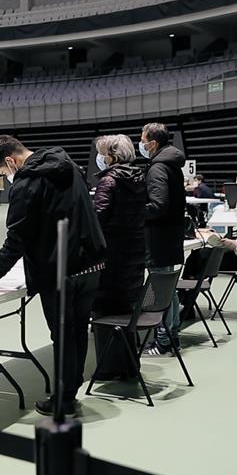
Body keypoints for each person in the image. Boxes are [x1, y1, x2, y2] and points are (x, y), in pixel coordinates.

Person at [0, 136, 105, 417]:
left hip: (61, 270)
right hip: (91, 263)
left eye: (3, 174)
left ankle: (64, 401)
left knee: (64, 336)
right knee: (78, 332)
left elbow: (18, 236)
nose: (6, 179)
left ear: (10, 162)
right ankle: (70, 390)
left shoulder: (28, 182)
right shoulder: (70, 167)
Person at [91, 134, 146, 380]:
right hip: (134, 253)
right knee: (126, 312)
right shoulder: (140, 178)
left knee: (103, 312)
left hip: (111, 258)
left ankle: (107, 367)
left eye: (102, 153)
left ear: (110, 157)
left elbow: (98, 218)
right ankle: (129, 365)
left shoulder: (109, 181)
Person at [139, 122, 186, 355]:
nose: (141, 144)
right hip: (169, 237)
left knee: (160, 290)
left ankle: (164, 341)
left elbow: (157, 205)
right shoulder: (171, 165)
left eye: (143, 139)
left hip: (158, 238)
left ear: (153, 143)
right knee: (168, 290)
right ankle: (171, 336)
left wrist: (134, 211)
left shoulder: (157, 168)